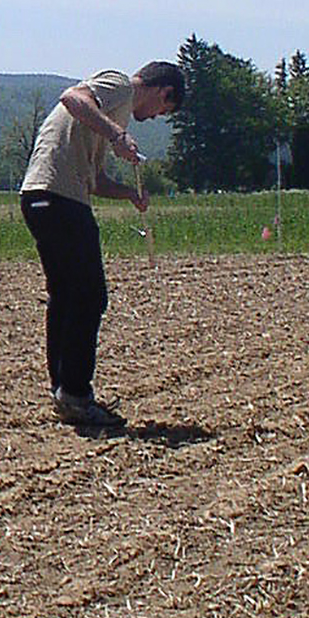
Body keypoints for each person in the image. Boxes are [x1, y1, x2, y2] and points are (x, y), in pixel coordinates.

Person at [20, 61, 185, 428]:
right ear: (164, 92)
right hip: (59, 197)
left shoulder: (117, 113)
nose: (157, 117)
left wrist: (129, 193)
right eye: (164, 110)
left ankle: (65, 391)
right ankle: (76, 395)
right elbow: (72, 97)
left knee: (66, 295)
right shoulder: (120, 85)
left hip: (42, 197)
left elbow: (94, 180)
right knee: (90, 296)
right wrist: (115, 135)